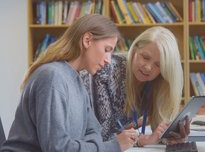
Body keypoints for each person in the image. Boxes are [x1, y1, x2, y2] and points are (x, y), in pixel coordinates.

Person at [1, 14, 138, 152]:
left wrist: (82, 145)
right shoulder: (52, 77)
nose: (108, 59)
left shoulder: (77, 81)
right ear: (87, 40)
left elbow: (95, 133)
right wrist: (113, 146)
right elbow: (57, 148)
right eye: (106, 50)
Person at [81, 26, 190, 146]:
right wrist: (140, 140)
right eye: (145, 57)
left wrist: (168, 137)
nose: (148, 67)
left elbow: (155, 132)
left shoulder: (156, 83)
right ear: (134, 50)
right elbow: (101, 136)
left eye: (158, 65)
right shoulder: (105, 71)